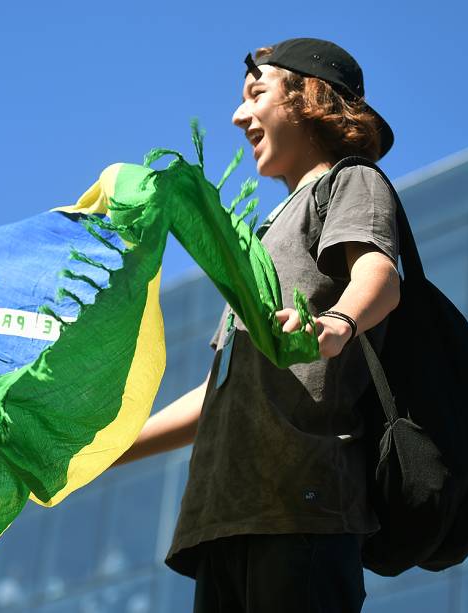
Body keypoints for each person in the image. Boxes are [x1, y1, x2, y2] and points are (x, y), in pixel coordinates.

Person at [111, 38, 402, 612]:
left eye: (256, 93)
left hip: (302, 506)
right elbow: (219, 395)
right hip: (221, 520)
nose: (238, 115)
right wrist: (108, 449)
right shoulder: (263, 240)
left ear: (310, 97)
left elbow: (380, 271)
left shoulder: (348, 182)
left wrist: (338, 320)